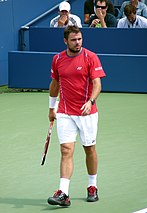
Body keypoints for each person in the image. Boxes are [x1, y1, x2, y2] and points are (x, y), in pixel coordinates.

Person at [47, 25, 106, 207]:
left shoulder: (91, 57)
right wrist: (51, 108)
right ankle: (63, 193)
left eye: (79, 39)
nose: (77, 42)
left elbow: (97, 84)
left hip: (86, 112)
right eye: (73, 40)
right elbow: (55, 83)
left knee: (89, 149)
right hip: (65, 111)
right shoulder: (57, 59)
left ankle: (92, 186)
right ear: (66, 41)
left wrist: (91, 101)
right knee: (66, 150)